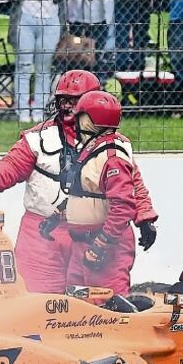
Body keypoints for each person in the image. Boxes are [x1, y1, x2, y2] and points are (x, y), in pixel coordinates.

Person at [0, 72, 158, 293]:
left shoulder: (116, 146)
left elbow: (131, 186)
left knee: (101, 301)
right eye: (63, 100)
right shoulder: (37, 138)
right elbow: (13, 163)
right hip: (42, 233)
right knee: (36, 299)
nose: (67, 106)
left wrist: (145, 218)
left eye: (75, 101)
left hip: (96, 234)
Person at [62, 91, 149, 297]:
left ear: (92, 120)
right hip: (82, 244)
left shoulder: (112, 156)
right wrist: (58, 213)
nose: (75, 120)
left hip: (104, 247)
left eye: (80, 115)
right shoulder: (94, 146)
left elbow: (123, 207)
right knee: (74, 307)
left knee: (108, 307)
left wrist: (101, 245)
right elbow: (84, 193)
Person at [1, 0, 75, 121]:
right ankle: (23, 110)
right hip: (25, 18)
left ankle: (40, 110)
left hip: (51, 19)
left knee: (44, 67)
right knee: (24, 65)